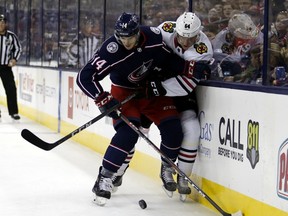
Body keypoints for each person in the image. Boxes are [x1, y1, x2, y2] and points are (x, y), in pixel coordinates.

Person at [76, 12, 206, 205]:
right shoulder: (111, 49)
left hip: (151, 92)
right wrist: (103, 98)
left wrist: (188, 68)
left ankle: (167, 167)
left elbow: (168, 59)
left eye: (130, 38)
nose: (126, 43)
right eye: (122, 38)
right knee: (129, 133)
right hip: (123, 92)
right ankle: (105, 177)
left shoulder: (153, 36)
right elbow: (84, 77)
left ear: (137, 32)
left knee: (173, 129)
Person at [113, 12, 213, 201]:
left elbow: (187, 84)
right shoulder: (165, 29)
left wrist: (158, 89)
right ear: (175, 29)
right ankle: (117, 171)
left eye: (190, 38)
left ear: (198, 34)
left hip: (177, 90)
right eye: (182, 36)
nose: (185, 41)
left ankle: (180, 176)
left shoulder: (202, 50)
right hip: (151, 82)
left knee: (190, 128)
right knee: (134, 130)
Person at [0, 14, 22, 120]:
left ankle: (13, 112)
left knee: (11, 89)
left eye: (3, 22)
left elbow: (18, 49)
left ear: (6, 24)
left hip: (5, 67)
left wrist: (14, 59)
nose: (0, 24)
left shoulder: (11, 36)